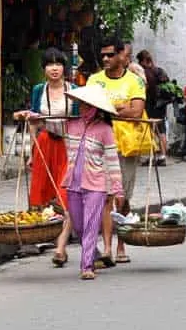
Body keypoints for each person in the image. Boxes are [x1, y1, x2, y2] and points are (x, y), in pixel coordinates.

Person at [37, 85, 123, 281]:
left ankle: (87, 266)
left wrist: (117, 189)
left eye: (89, 106)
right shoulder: (71, 125)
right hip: (74, 182)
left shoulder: (105, 129)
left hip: (97, 184)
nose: (84, 108)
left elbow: (112, 160)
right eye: (83, 105)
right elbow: (49, 125)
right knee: (78, 225)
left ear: (97, 108)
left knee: (91, 224)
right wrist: (31, 116)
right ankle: (93, 254)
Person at [13, 47, 79, 267]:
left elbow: (79, 121)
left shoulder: (74, 90)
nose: (54, 69)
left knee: (65, 194)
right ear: (44, 69)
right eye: (49, 65)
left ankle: (61, 245)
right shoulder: (39, 90)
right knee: (39, 192)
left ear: (64, 68)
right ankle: (34, 236)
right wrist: (32, 151)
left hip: (68, 145)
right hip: (45, 143)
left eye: (58, 64)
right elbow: (34, 120)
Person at [88, 37, 147, 266]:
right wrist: (120, 107)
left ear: (122, 56)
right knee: (104, 196)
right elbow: (91, 110)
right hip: (99, 143)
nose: (105, 59)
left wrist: (109, 110)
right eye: (102, 55)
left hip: (127, 144)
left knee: (122, 197)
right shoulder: (94, 80)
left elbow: (136, 111)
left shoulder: (135, 81)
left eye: (110, 55)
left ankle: (121, 242)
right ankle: (107, 247)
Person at [137, 49, 170, 166]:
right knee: (161, 131)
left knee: (150, 131)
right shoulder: (160, 71)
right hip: (161, 106)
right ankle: (163, 156)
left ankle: (152, 156)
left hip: (149, 105)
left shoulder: (143, 73)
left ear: (142, 61)